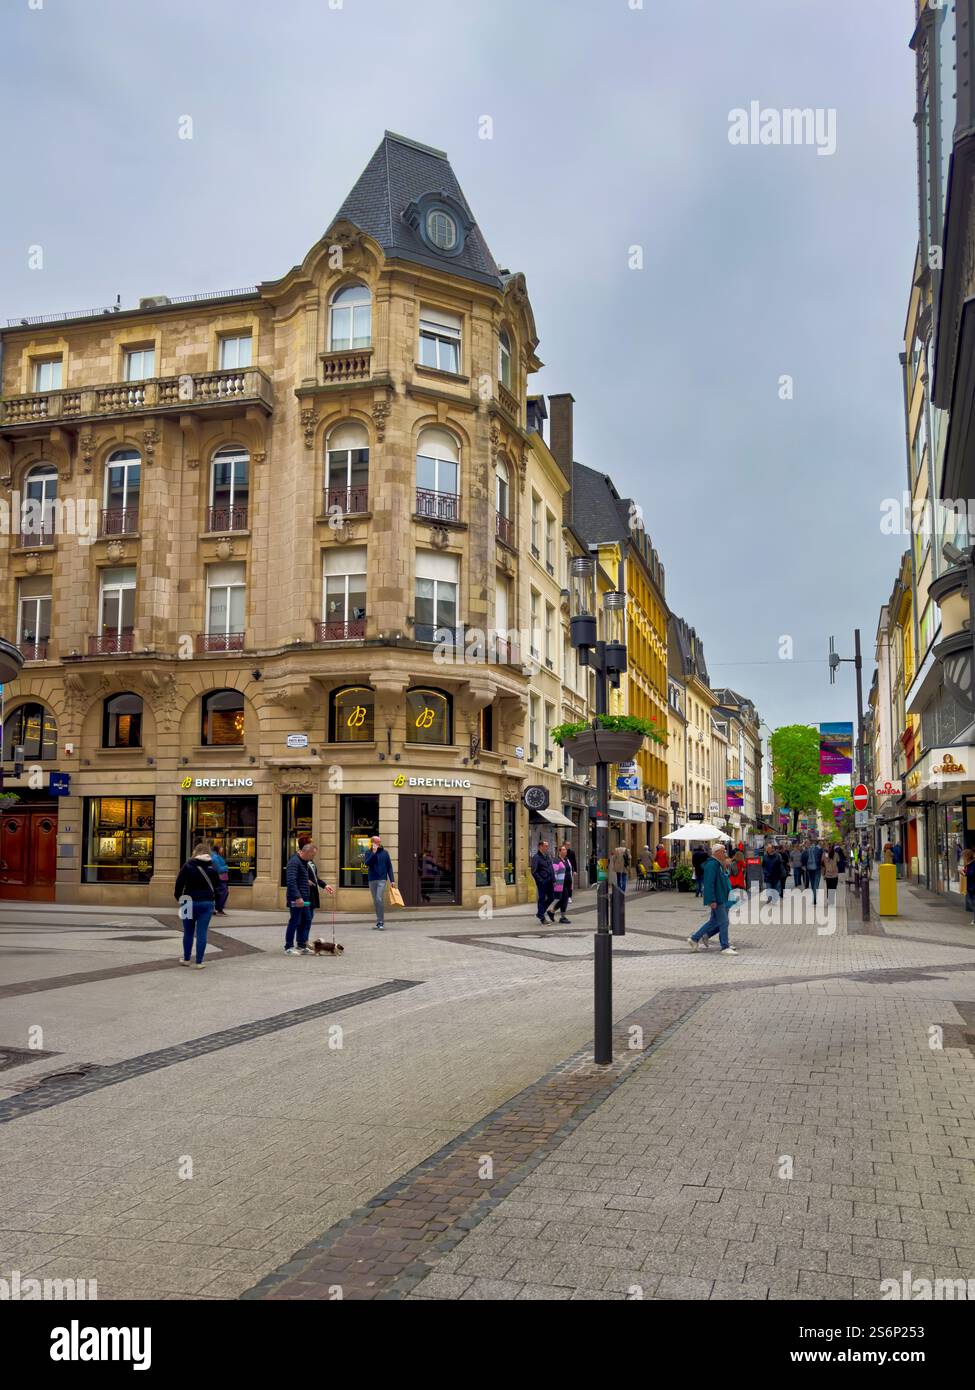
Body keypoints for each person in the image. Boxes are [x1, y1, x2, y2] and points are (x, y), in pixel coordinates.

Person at [174, 842, 221, 969]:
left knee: (188, 932)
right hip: (207, 903)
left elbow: (179, 884)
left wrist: (179, 898)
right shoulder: (213, 867)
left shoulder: (188, 865)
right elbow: (218, 887)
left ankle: (187, 959)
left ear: (195, 852)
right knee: (202, 932)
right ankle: (199, 962)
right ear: (208, 853)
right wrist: (215, 901)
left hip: (188, 901)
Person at [687, 844, 737, 955]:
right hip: (717, 898)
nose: (725, 854)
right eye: (723, 852)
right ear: (717, 852)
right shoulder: (711, 865)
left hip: (721, 897)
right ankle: (725, 946)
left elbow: (723, 879)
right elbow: (709, 884)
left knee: (714, 921)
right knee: (724, 922)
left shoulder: (717, 864)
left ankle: (695, 938)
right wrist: (711, 900)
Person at [285, 840, 333, 954]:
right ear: (305, 852)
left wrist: (323, 885)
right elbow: (291, 881)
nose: (313, 858)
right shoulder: (294, 861)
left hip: (305, 897)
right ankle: (288, 947)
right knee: (295, 921)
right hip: (297, 898)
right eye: (312, 855)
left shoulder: (304, 862)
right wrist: (297, 897)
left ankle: (302, 945)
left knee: (306, 919)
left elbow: (312, 878)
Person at [364, 834, 395, 931]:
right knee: (376, 901)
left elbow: (389, 866)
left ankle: (381, 922)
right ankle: (378, 921)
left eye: (380, 842)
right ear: (373, 843)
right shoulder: (368, 852)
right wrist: (373, 853)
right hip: (372, 879)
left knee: (379, 899)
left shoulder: (385, 853)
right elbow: (367, 863)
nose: (379, 843)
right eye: (377, 842)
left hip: (382, 879)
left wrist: (392, 880)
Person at [298, 835, 322, 927]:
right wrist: (305, 880)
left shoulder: (310, 860)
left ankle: (303, 939)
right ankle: (302, 940)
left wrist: (325, 885)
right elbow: (292, 875)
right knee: (305, 918)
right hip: (304, 893)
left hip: (312, 893)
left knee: (309, 917)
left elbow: (315, 877)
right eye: (310, 843)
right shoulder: (299, 859)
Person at [531, 839, 556, 923]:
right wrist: (540, 880)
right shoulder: (536, 857)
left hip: (550, 881)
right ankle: (542, 918)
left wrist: (553, 879)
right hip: (542, 882)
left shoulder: (547, 856)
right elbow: (534, 871)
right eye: (545, 846)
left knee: (552, 897)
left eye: (547, 846)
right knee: (541, 899)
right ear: (540, 846)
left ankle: (540, 913)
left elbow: (551, 868)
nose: (547, 847)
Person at [552, 843, 572, 923]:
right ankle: (562, 917)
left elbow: (569, 870)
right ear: (559, 852)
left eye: (565, 850)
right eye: (563, 850)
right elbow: (555, 872)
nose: (565, 851)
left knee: (564, 899)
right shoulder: (556, 860)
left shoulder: (567, 859)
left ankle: (552, 911)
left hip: (568, 883)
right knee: (565, 899)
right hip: (560, 883)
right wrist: (555, 883)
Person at [209, 840, 230, 915]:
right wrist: (226, 867)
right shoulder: (215, 857)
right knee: (223, 892)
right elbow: (218, 869)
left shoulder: (217, 856)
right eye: (221, 847)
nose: (223, 849)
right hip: (219, 878)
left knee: (222, 893)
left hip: (221, 878)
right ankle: (218, 908)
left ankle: (218, 908)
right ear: (218, 848)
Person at [803, 839, 824, 904]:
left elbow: (803, 858)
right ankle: (815, 896)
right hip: (817, 868)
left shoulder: (806, 850)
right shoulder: (820, 850)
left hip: (809, 869)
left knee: (812, 883)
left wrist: (804, 866)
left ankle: (814, 894)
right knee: (816, 883)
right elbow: (822, 859)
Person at [962, 848, 975, 925]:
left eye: (963, 856)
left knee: (972, 903)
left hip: (973, 887)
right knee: (971, 903)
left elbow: (972, 875)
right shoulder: (969, 864)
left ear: (967, 856)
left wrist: (964, 874)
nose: (963, 858)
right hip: (970, 887)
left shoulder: (973, 864)